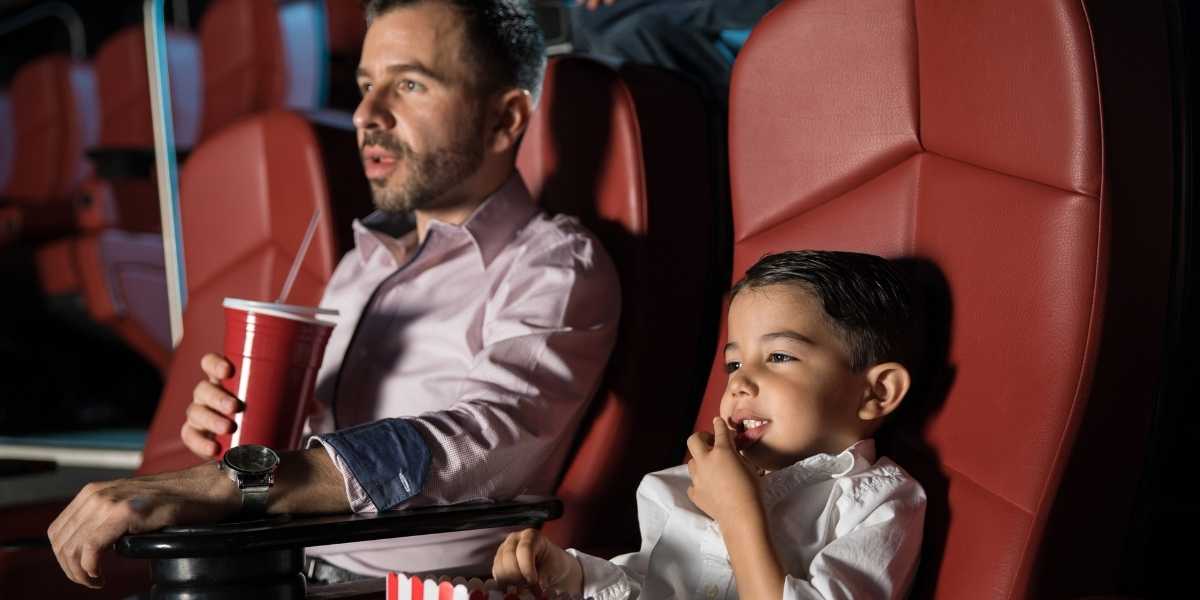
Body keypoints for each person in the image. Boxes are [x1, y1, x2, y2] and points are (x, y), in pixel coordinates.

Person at [48, 0, 620, 588]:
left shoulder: (552, 263)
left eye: (411, 84)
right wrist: (236, 430)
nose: (366, 114)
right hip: (278, 565)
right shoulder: (361, 265)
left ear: (504, 120)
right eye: (368, 85)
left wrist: (234, 481)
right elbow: (306, 442)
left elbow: (483, 439)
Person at [492, 250, 926, 599]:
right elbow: (655, 585)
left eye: (778, 357)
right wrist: (571, 575)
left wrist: (738, 515)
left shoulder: (879, 502)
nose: (739, 382)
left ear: (877, 392)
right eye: (733, 363)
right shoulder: (689, 484)